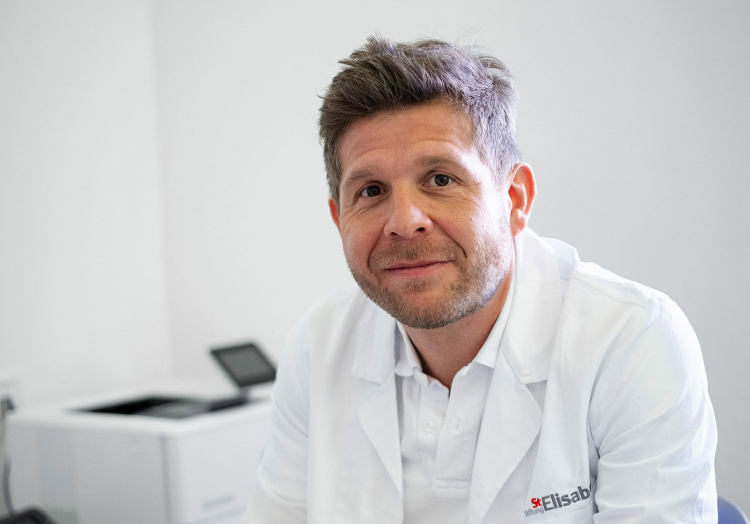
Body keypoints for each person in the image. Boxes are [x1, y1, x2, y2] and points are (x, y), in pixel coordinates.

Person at [244, 36, 717, 524]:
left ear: (515, 200)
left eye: (440, 179)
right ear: (338, 218)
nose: (404, 221)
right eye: (371, 190)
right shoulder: (318, 345)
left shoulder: (632, 341)